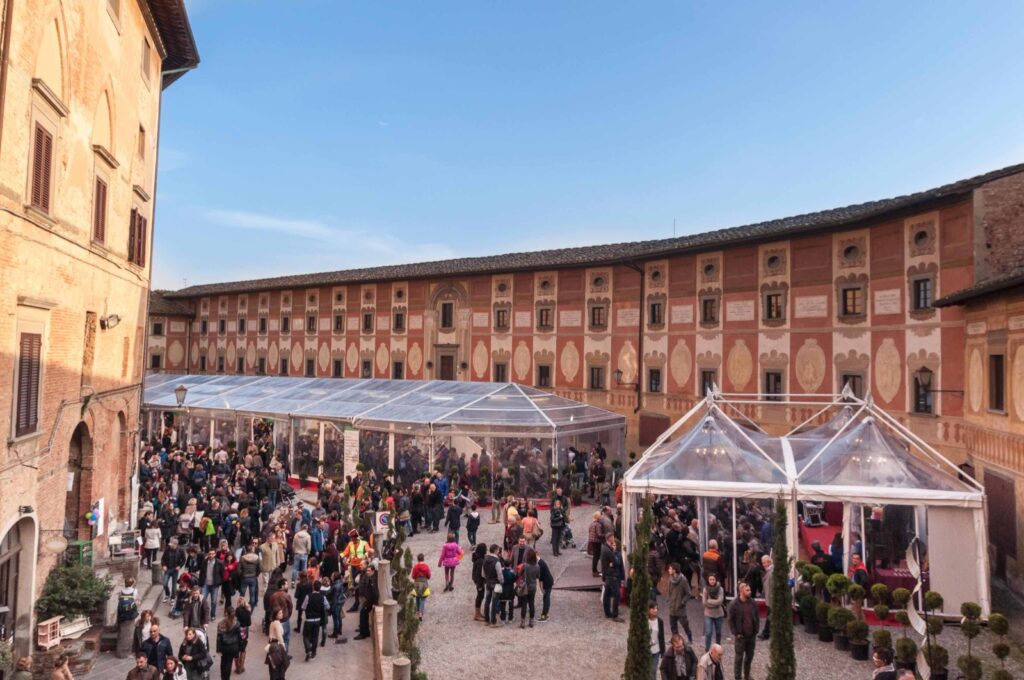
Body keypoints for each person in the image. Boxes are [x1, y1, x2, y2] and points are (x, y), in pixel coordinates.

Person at [726, 582, 758, 680]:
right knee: (739, 659)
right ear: (741, 591)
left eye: (750, 590)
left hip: (751, 636)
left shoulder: (753, 603)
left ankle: (747, 676)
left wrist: (756, 630)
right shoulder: (734, 604)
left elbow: (756, 616)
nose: (750, 592)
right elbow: (730, 620)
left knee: (749, 657)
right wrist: (736, 633)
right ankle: (738, 677)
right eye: (747, 590)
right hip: (741, 637)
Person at [600, 533, 625, 622]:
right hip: (612, 575)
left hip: (608, 574)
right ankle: (615, 615)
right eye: (613, 539)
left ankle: (607, 613)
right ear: (609, 539)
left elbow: (611, 563)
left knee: (607, 594)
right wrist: (614, 561)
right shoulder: (608, 551)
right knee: (617, 595)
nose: (614, 540)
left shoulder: (605, 548)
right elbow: (616, 562)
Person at [665, 563, 693, 643]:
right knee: (673, 626)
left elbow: (688, 593)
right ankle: (675, 639)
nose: (668, 570)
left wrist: (683, 602)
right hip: (672, 607)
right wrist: (669, 599)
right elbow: (669, 590)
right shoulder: (670, 579)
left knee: (685, 625)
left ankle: (690, 638)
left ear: (674, 570)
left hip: (680, 608)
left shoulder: (683, 580)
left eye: (670, 569)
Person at [197, 549, 225, 619]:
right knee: (202, 599)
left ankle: (212, 615)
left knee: (214, 601)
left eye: (212, 554)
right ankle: (202, 614)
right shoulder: (204, 562)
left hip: (214, 585)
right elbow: (201, 573)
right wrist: (200, 583)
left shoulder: (219, 563)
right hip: (205, 584)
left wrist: (219, 582)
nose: (211, 555)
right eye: (210, 554)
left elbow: (222, 574)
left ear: (215, 554)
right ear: (208, 554)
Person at [354, 565, 379, 641]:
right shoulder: (371, 577)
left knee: (362, 614)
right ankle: (366, 631)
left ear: (373, 571)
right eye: (367, 570)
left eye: (369, 571)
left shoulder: (373, 579)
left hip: (369, 601)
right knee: (364, 614)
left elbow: (375, 592)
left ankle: (363, 633)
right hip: (368, 599)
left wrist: (375, 602)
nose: (367, 572)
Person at [215, 608, 241, 680]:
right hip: (233, 647)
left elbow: (219, 638)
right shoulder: (237, 623)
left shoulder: (221, 624)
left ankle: (223, 677)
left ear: (226, 613)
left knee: (223, 662)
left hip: (224, 646)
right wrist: (239, 648)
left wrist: (218, 649)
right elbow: (239, 637)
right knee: (229, 664)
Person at [518, 548, 540, 628]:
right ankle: (531, 621)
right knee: (531, 604)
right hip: (533, 586)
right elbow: (538, 576)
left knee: (524, 604)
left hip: (525, 586)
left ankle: (523, 622)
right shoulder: (537, 566)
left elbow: (519, 574)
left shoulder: (525, 565)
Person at [701, 575, 725, 650]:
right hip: (708, 614)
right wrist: (714, 603)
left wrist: (709, 601)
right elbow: (704, 602)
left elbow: (720, 601)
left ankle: (717, 647)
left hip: (718, 614)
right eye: (710, 579)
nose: (712, 581)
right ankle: (707, 648)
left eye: (713, 579)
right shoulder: (705, 589)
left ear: (716, 580)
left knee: (718, 632)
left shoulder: (720, 589)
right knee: (708, 632)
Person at [648, 602, 666, 680]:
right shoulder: (645, 620)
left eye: (656, 608)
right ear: (648, 610)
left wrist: (663, 651)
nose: (655, 610)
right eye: (653, 608)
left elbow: (661, 636)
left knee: (653, 670)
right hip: (647, 650)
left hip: (656, 650)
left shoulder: (660, 621)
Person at [412, 553, 432, 619]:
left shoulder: (415, 567)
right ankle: (421, 613)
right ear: (423, 559)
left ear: (418, 559)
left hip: (417, 583)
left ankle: (417, 611)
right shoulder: (426, 566)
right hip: (424, 583)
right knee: (423, 598)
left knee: (417, 597)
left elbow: (413, 576)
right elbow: (429, 576)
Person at [537, 547, 555, 621]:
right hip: (548, 581)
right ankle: (545, 613)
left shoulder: (540, 563)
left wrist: (541, 587)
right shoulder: (540, 561)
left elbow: (541, 577)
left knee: (546, 598)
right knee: (546, 598)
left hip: (547, 582)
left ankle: (544, 614)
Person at [470, 543, 487, 621]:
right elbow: (479, 574)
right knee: (480, 596)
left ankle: (478, 612)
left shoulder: (477, 558)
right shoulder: (480, 561)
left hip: (478, 581)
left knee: (480, 596)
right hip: (480, 582)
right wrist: (480, 585)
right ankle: (477, 614)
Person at [759, 554, 773, 640]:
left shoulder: (771, 571)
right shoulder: (769, 571)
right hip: (769, 597)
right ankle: (766, 632)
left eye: (764, 562)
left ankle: (766, 633)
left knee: (770, 616)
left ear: (769, 562)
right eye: (762, 563)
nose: (763, 564)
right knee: (770, 616)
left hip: (771, 598)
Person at [588, 511, 605, 577]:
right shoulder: (598, 524)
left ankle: (594, 570)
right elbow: (599, 534)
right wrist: (605, 535)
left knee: (595, 556)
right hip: (596, 541)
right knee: (596, 557)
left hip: (592, 541)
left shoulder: (592, 523)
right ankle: (594, 571)